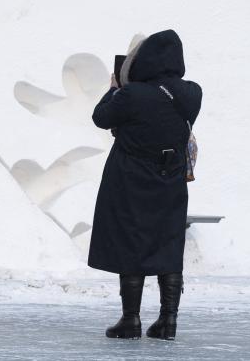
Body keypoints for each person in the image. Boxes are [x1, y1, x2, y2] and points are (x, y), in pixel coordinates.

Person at [88, 30, 202, 341]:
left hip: (131, 177)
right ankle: (168, 321)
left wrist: (114, 88)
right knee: (169, 242)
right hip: (171, 177)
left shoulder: (132, 95)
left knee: (131, 243)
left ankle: (131, 320)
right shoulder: (192, 93)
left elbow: (101, 117)